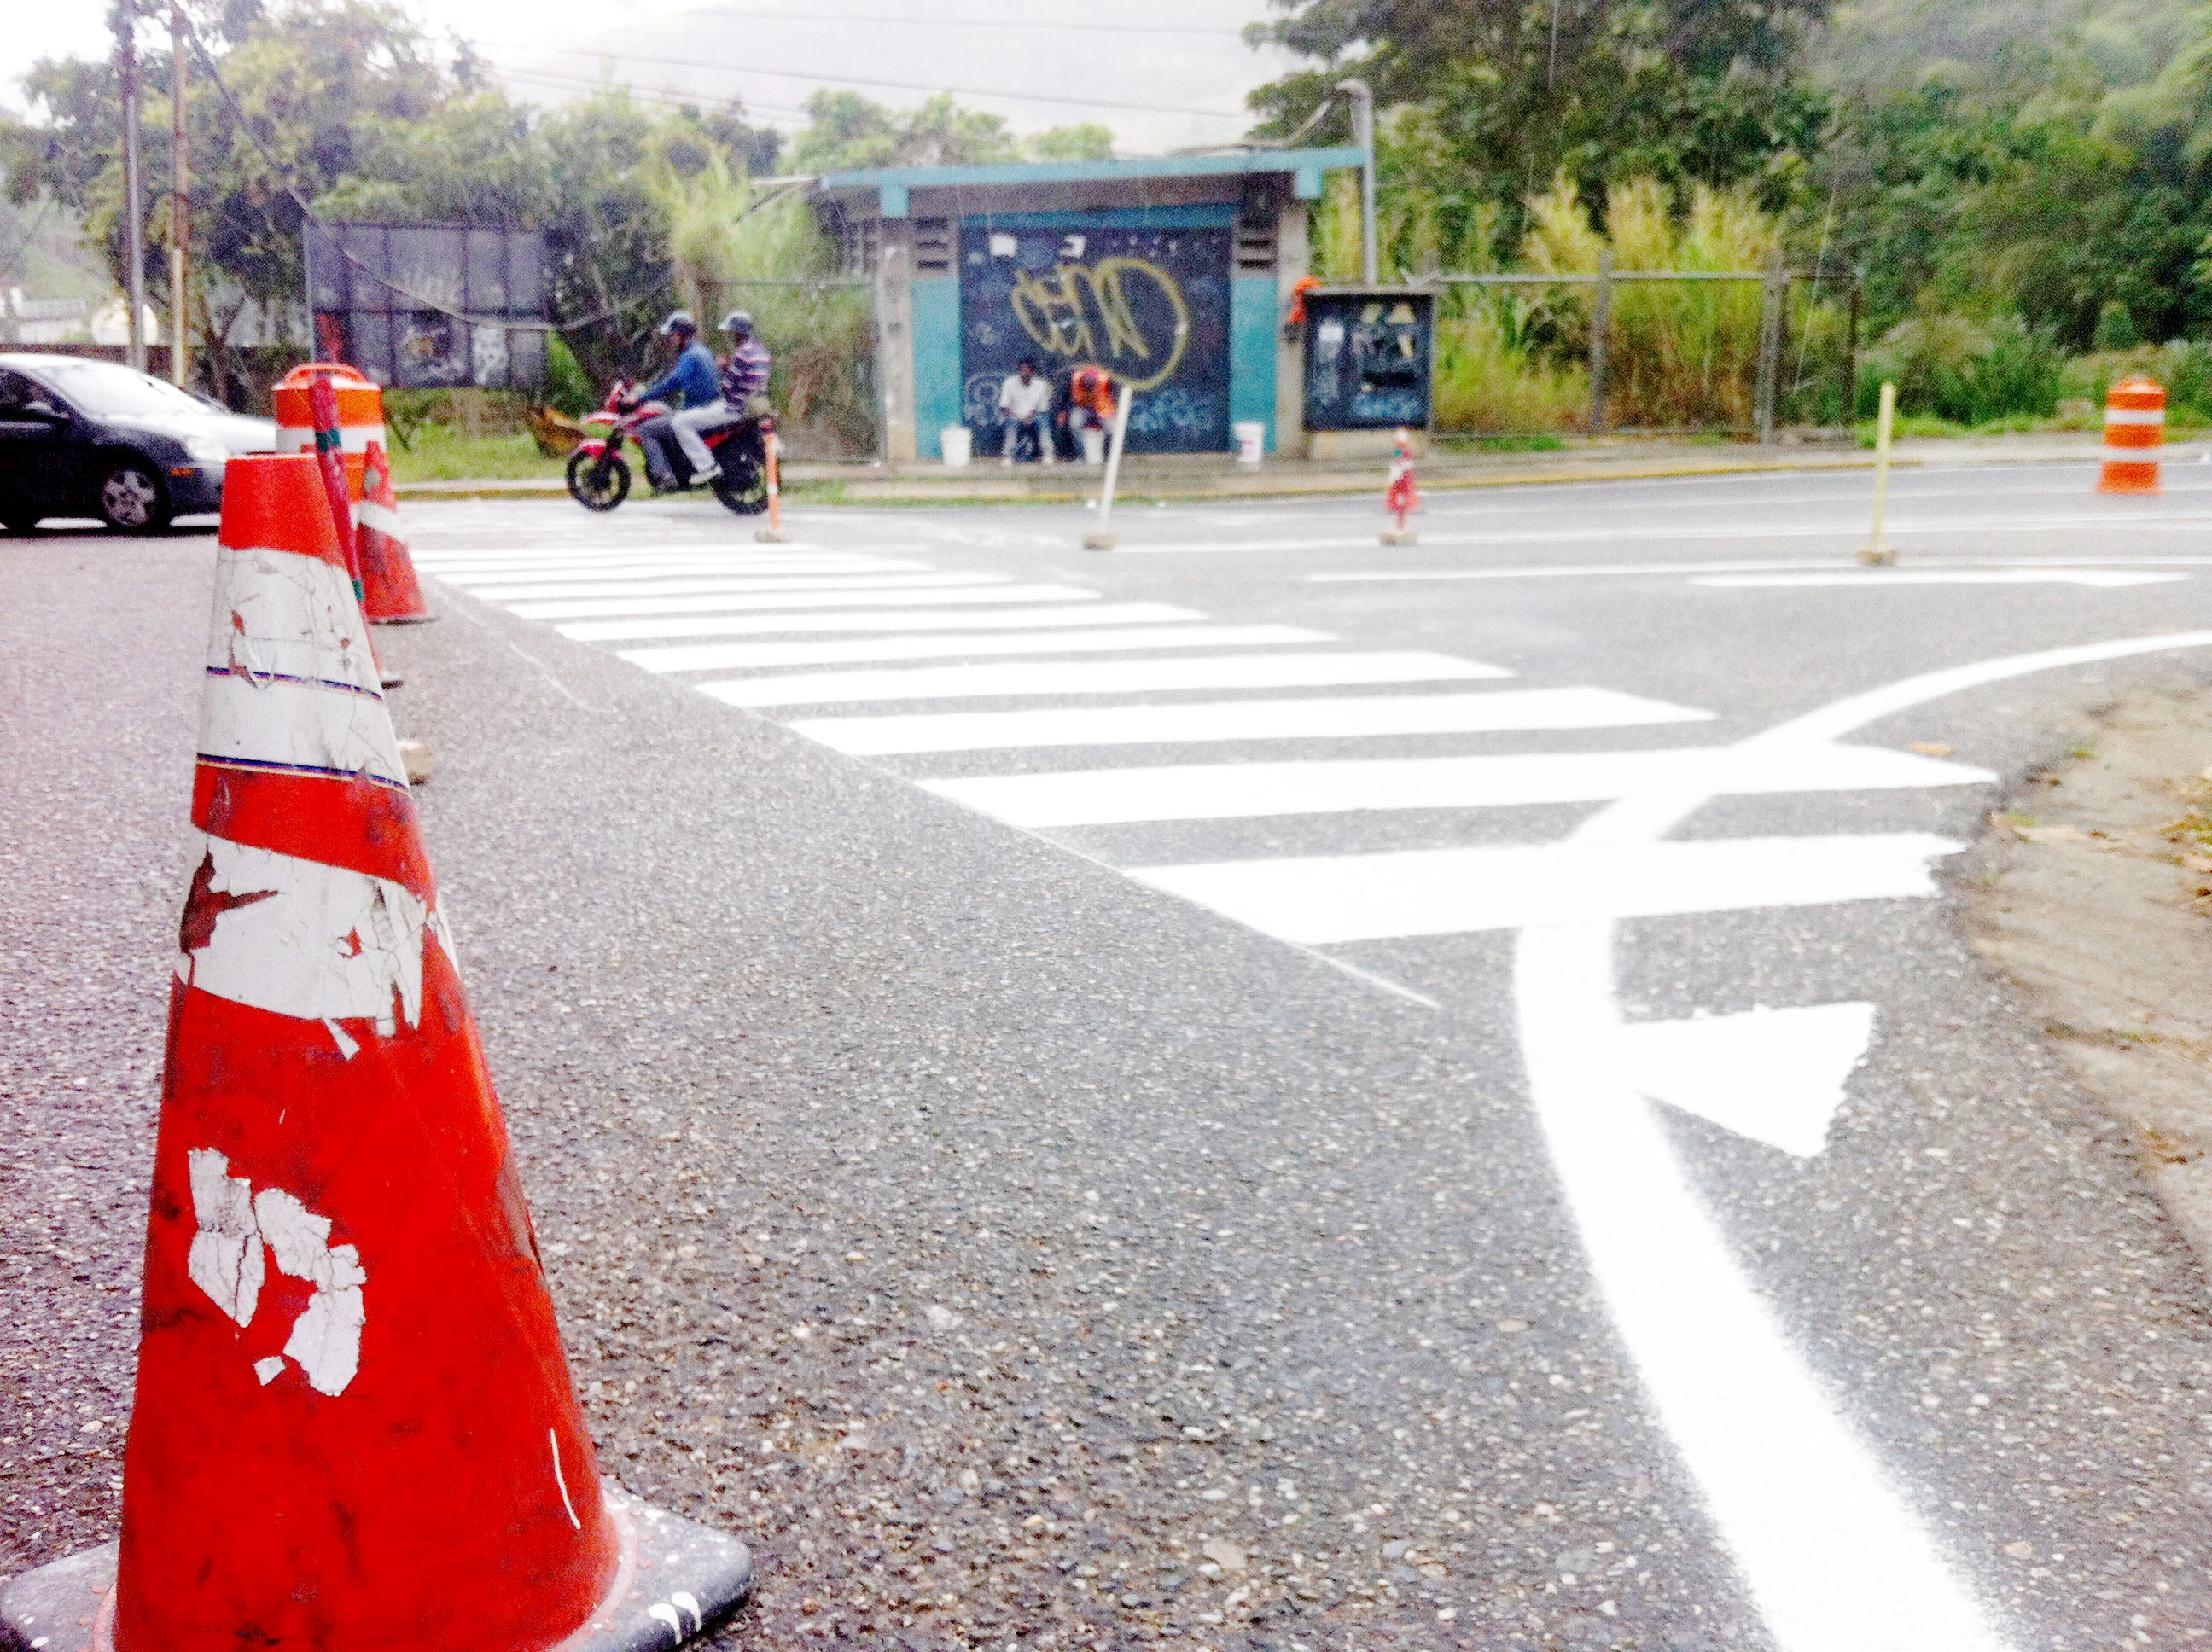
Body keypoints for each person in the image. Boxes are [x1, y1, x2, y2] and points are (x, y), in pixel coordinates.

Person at [666, 310, 772, 487]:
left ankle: (707, 466)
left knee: (680, 422)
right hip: (757, 406)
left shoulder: (742, 353)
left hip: (736, 408)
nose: (730, 336)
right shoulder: (761, 351)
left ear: (738, 333)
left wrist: (722, 368)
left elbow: (727, 386)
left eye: (731, 333)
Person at [629, 311, 720, 489]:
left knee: (646, 429)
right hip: (707, 409)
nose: (670, 340)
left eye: (672, 336)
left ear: (681, 336)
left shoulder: (689, 356)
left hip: (696, 411)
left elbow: (674, 381)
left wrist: (641, 398)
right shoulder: (704, 351)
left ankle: (664, 477)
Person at [997, 357, 1052, 465]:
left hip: (1033, 417)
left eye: (1027, 371)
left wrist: (1029, 417)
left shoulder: (1040, 385)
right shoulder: (1009, 382)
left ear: (1033, 372)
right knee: (1011, 422)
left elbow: (1043, 409)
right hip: (1013, 416)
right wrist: (1018, 417)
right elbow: (1004, 407)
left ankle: (1048, 455)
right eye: (1022, 371)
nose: (1024, 374)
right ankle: (1008, 456)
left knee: (1043, 421)